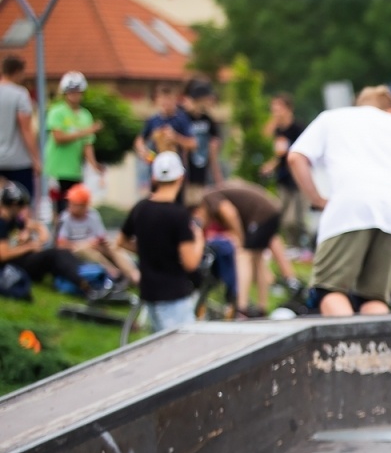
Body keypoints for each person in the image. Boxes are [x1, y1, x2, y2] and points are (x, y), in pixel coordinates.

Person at [287, 85, 391, 316]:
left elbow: (296, 157)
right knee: (373, 298)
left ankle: (350, 349)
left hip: (348, 210)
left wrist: (316, 198)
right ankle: (373, 352)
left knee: (328, 290)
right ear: (390, 109)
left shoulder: (332, 119)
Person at [117, 152, 202, 332]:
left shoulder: (140, 208)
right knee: (182, 351)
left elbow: (121, 241)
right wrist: (199, 241)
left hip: (149, 293)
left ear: (154, 178)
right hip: (174, 294)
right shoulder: (179, 215)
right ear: (180, 178)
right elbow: (190, 263)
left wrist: (147, 250)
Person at [202, 180, 295, 317]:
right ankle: (261, 308)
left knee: (244, 256)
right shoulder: (217, 195)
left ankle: (241, 308)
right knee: (258, 259)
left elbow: (230, 213)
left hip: (263, 213)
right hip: (270, 211)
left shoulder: (209, 197)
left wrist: (240, 237)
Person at [1, 182, 95, 296]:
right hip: (12, 267)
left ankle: (93, 277)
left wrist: (32, 235)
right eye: (22, 206)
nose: (23, 210)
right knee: (54, 255)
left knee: (62, 253)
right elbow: (3, 254)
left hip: (22, 261)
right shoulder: (2, 223)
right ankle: (88, 285)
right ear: (15, 204)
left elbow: (40, 231)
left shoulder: (14, 222)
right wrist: (29, 246)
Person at [56, 183, 137, 289]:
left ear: (84, 205)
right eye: (70, 203)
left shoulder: (93, 215)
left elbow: (101, 236)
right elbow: (61, 244)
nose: (70, 206)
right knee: (85, 249)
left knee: (112, 246)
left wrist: (99, 243)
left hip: (95, 247)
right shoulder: (65, 218)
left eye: (74, 204)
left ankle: (134, 275)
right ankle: (114, 273)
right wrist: (88, 244)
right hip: (76, 250)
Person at [43, 72, 103, 206]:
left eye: (77, 91)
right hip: (57, 169)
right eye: (71, 91)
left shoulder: (85, 115)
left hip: (75, 171)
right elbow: (58, 137)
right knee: (58, 207)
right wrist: (86, 131)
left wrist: (94, 165)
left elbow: (87, 144)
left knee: (75, 206)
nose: (75, 95)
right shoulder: (57, 112)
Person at [260, 94, 309, 251]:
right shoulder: (278, 131)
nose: (275, 112)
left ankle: (301, 246)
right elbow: (273, 146)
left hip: (298, 178)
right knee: (283, 216)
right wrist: (271, 165)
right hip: (283, 177)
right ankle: (291, 246)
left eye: (279, 109)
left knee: (295, 219)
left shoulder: (298, 129)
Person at [134, 84, 196, 178]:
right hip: (157, 169)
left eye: (168, 99)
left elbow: (193, 144)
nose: (165, 103)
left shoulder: (181, 119)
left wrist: (176, 138)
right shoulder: (153, 120)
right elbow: (140, 140)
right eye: (162, 99)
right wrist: (143, 151)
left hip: (176, 169)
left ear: (174, 100)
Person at [0, 56, 40, 201]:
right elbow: (26, 129)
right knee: (23, 203)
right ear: (16, 71)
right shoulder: (20, 94)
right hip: (18, 161)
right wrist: (36, 159)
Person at [180, 79, 223, 203]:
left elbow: (214, 149)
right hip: (186, 175)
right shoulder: (183, 118)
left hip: (204, 175)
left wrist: (218, 178)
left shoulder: (208, 120)